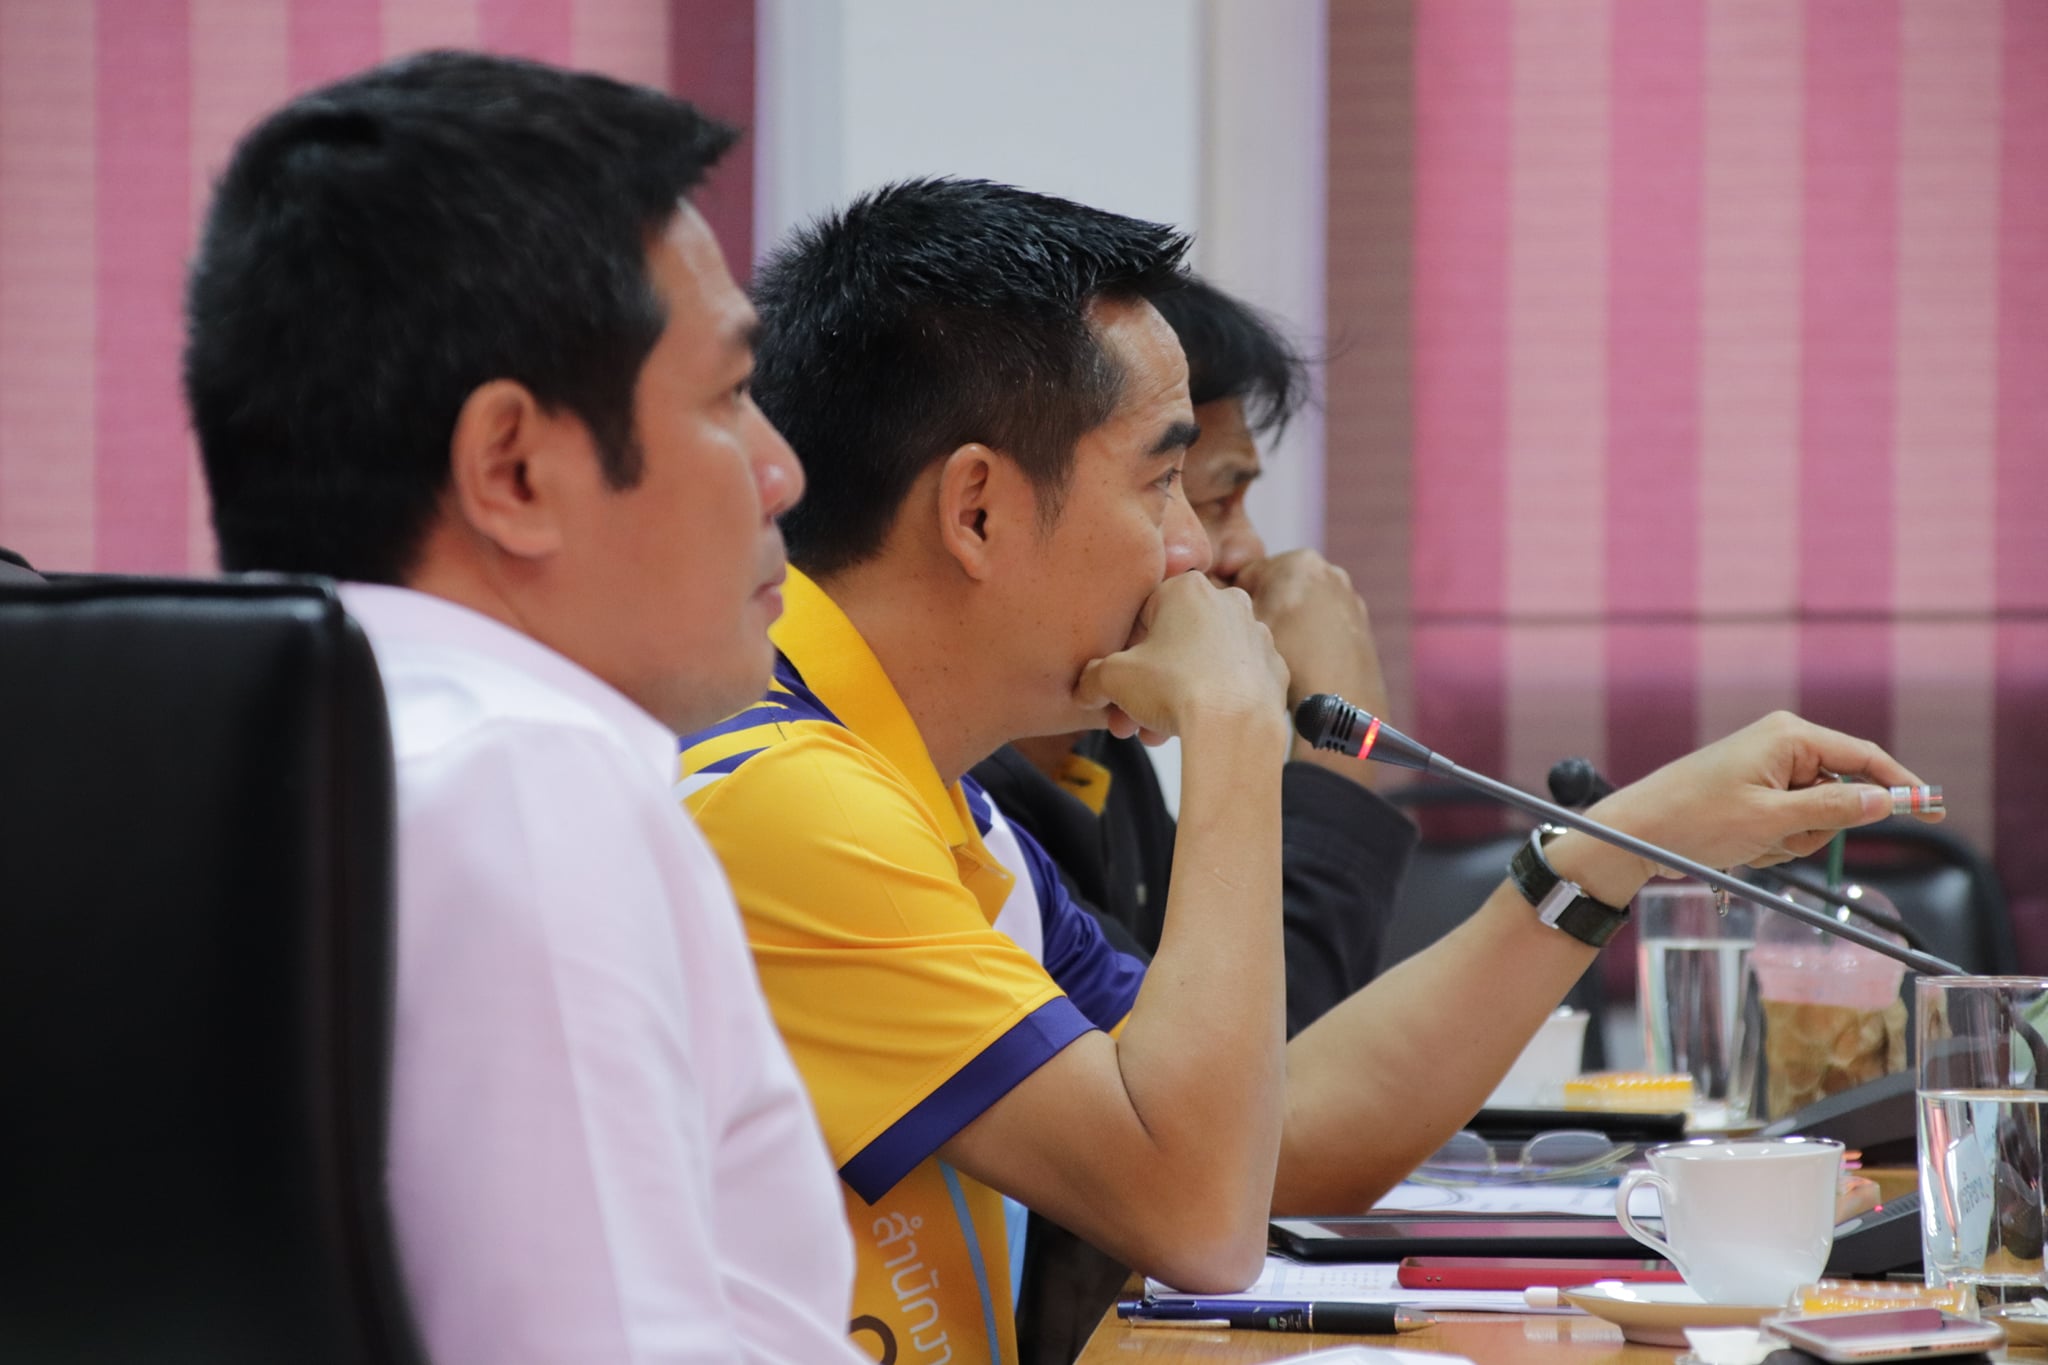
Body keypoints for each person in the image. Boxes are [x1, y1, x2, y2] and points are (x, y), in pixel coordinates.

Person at [677, 177, 1937, 1365]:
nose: (1193, 554)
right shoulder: (788, 799)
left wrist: (1603, 854)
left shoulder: (918, 799)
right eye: (1161, 481)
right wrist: (1235, 725)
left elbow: (1277, 1141)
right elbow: (1199, 1219)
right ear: (977, 512)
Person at [185, 51, 864, 1364]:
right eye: (730, 395)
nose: (780, 471)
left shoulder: (242, 748)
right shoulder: (526, 778)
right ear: (514, 470)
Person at [969, 275, 1412, 1362]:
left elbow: (1252, 1096)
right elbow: (1236, 1152)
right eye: (1178, 489)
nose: (1221, 555)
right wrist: (1294, 748)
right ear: (980, 510)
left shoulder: (1094, 759)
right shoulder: (925, 800)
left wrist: (1585, 870)